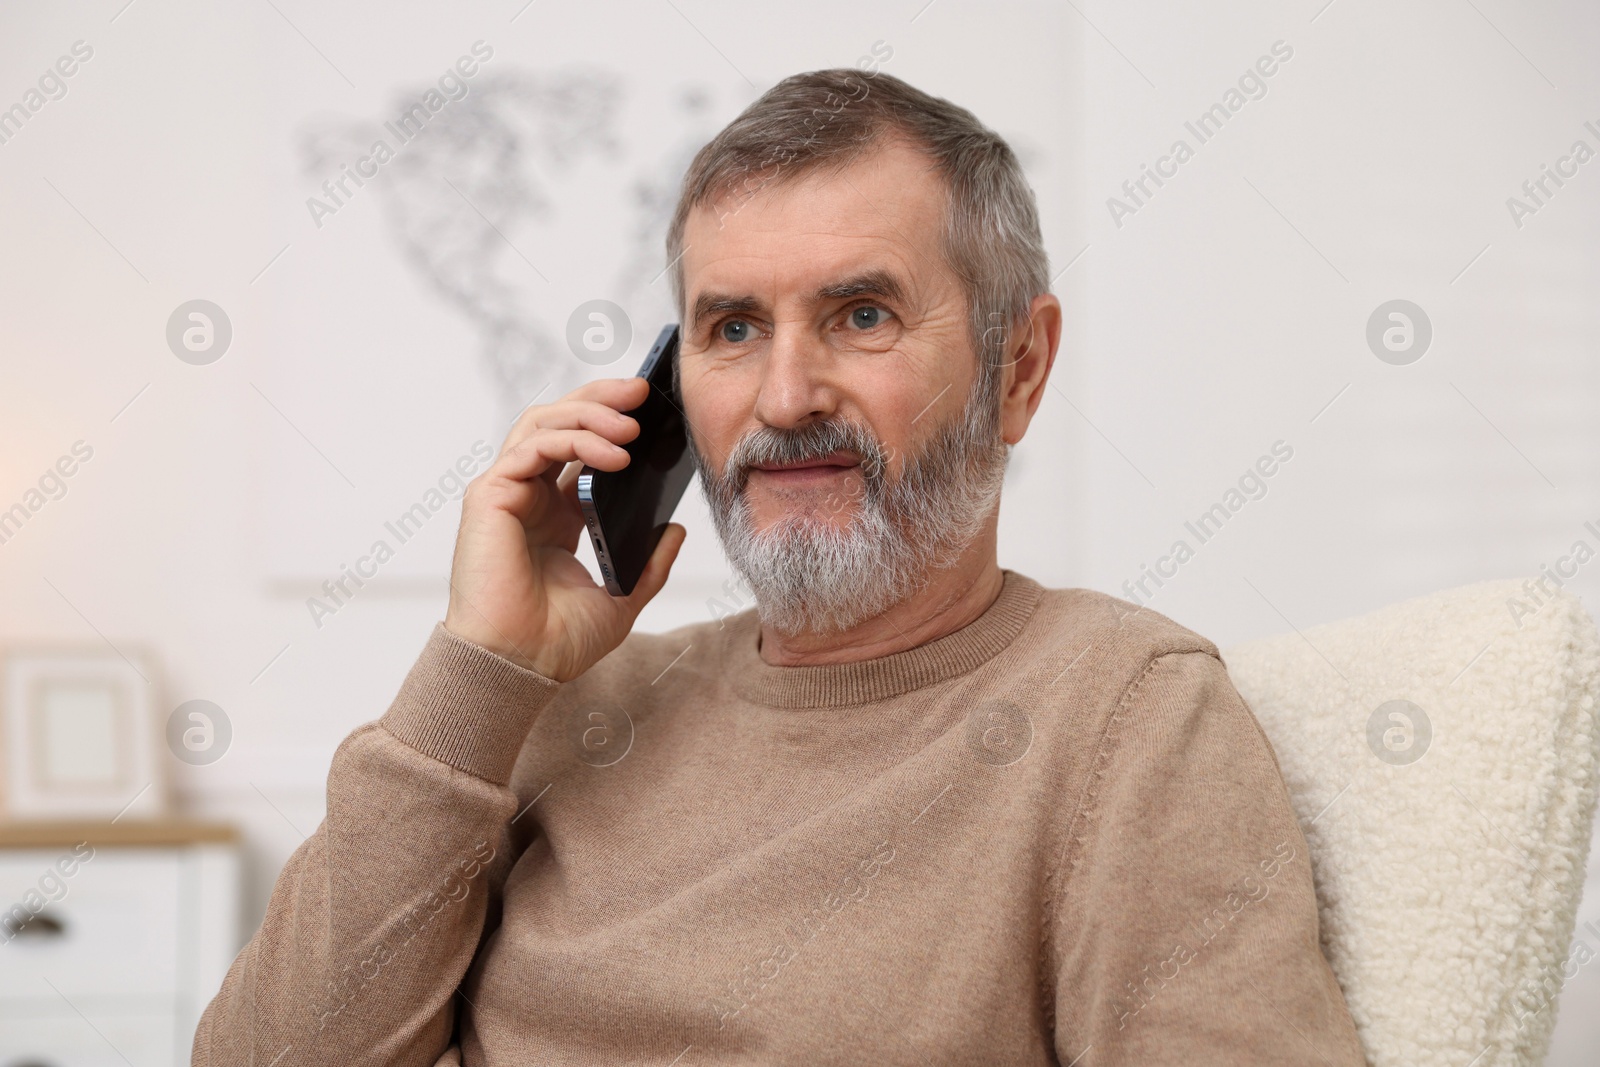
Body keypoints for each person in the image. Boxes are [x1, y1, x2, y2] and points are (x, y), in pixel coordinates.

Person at [195, 68, 1365, 1066]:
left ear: (1019, 367)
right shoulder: (561, 712)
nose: (786, 397)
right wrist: (481, 672)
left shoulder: (1128, 713)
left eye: (861, 315)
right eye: (732, 328)